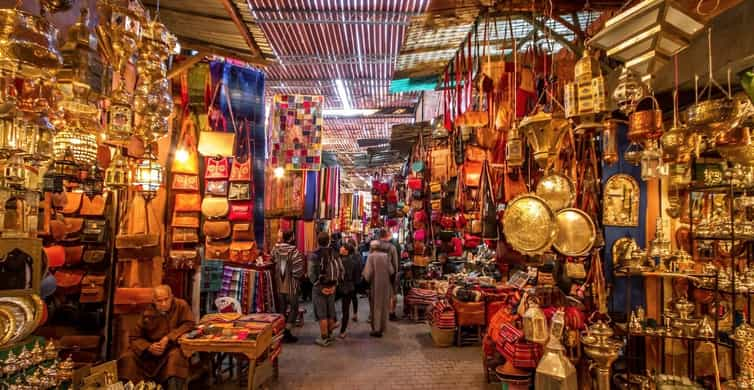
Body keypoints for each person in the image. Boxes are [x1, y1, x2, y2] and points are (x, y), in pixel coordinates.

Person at [118, 285, 195, 390]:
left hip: (171, 348)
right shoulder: (147, 311)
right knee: (127, 357)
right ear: (153, 301)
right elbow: (134, 336)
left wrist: (168, 338)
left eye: (166, 299)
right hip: (149, 352)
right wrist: (149, 347)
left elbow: (189, 324)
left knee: (175, 358)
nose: (163, 304)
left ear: (171, 297)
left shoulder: (181, 305)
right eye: (159, 301)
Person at [308, 232, 343, 346]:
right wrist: (334, 285)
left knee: (322, 313)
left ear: (317, 241)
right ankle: (330, 334)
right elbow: (341, 270)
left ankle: (324, 338)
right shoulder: (335, 253)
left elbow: (311, 273)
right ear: (328, 241)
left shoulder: (314, 255)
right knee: (330, 311)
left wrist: (318, 285)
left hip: (319, 288)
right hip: (332, 286)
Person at [272, 230, 305, 343]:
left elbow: (272, 261)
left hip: (279, 284)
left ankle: (280, 332)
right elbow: (298, 270)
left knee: (281, 308)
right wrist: (298, 277)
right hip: (291, 284)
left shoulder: (275, 249)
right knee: (294, 308)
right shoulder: (294, 252)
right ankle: (287, 331)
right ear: (291, 238)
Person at [363, 240, 394, 337]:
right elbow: (391, 271)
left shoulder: (371, 256)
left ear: (372, 248)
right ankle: (383, 327)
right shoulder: (386, 256)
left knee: (375, 306)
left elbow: (367, 273)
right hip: (385, 285)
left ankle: (376, 329)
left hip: (375, 285)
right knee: (384, 305)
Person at [337, 241, 362, 338]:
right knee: (345, 310)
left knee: (331, 306)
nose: (340, 248)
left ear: (346, 251)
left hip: (339, 286)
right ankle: (342, 331)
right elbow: (356, 278)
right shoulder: (353, 262)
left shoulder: (338, 261)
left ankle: (333, 323)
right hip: (350, 287)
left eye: (342, 247)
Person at [378, 229, 400, 321]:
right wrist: (396, 272)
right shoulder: (392, 247)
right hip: (389, 272)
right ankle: (391, 313)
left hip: (378, 272)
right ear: (387, 236)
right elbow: (395, 262)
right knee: (392, 293)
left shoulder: (375, 246)